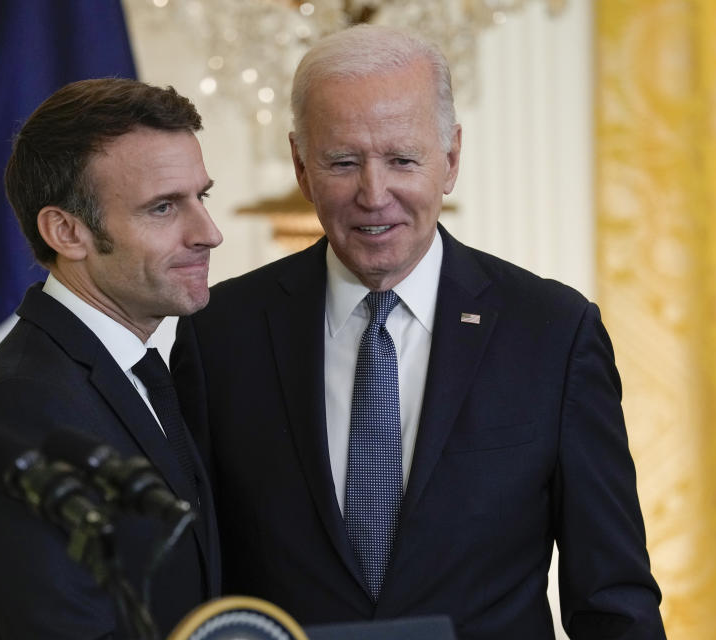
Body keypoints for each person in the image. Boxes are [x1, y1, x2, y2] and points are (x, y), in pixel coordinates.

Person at [170, 25, 664, 639]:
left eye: (402, 160)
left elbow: (614, 600)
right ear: (301, 165)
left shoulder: (554, 333)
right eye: (343, 163)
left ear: (451, 158)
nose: (374, 195)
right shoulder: (220, 333)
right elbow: (188, 581)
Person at [0, 78, 223, 639]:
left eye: (201, 197)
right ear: (67, 231)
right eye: (163, 207)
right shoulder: (22, 405)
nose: (208, 233)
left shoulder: (137, 371)